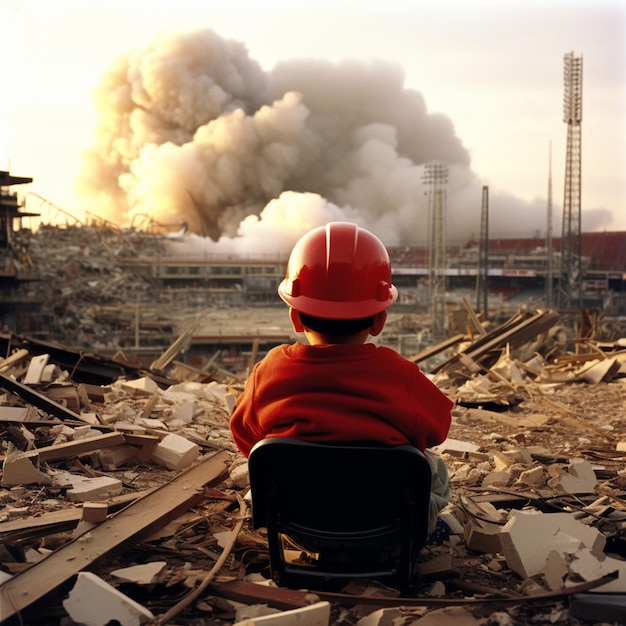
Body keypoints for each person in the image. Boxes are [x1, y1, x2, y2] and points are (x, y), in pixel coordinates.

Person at [229, 221, 453, 536]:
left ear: (295, 316)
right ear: (379, 320)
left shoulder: (269, 370)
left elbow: (245, 435)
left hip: (299, 526)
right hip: (385, 528)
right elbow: (438, 430)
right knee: (435, 470)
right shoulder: (400, 375)